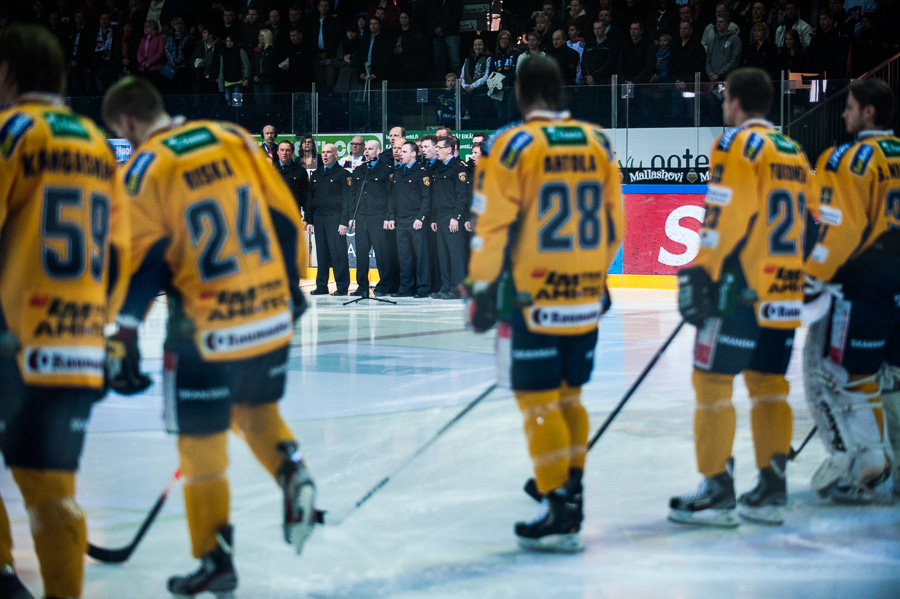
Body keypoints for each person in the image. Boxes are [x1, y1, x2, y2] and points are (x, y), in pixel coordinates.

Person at [101, 76, 317, 597]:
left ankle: (214, 557)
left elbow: (144, 264)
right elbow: (285, 214)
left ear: (128, 124)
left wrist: (123, 332)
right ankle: (291, 472)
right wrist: (292, 284)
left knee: (201, 449)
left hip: (204, 325)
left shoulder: (144, 169)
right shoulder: (232, 137)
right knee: (253, 410)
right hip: (266, 309)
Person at [467, 55, 623, 551]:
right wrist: (597, 278)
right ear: (561, 90)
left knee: (537, 402)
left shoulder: (510, 145)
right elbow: (616, 224)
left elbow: (490, 228)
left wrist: (481, 288)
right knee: (570, 396)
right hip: (584, 293)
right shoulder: (599, 142)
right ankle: (570, 483)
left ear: (518, 91)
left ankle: (558, 503)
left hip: (532, 295)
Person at [0, 23, 130, 599]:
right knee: (52, 490)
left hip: (12, 337)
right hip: (77, 340)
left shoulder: (10, 132)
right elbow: (123, 249)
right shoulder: (97, 144)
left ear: (8, 73)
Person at [669, 67, 808, 528]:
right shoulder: (793, 150)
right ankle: (772, 487)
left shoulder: (734, 144)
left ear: (734, 102)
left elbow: (726, 213)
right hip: (784, 287)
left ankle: (717, 488)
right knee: (770, 385)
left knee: (712, 383)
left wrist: (703, 273)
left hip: (739, 288)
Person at [804, 78, 899, 503]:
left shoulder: (848, 157)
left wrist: (811, 276)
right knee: (893, 375)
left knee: (845, 374)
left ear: (869, 113)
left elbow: (839, 228)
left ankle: (869, 461)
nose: (844, 114)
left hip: (863, 281)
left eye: (849, 106)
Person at [349, 140, 394, 297]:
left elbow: (390, 196)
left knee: (382, 254)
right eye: (366, 149)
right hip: (361, 217)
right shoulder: (360, 170)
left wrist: (389, 216)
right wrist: (352, 216)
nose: (367, 151)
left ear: (378, 151)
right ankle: (362, 286)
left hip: (378, 216)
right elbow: (353, 195)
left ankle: (385, 285)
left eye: (370, 149)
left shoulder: (386, 170)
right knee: (361, 254)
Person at [307, 143, 352, 296]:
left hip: (335, 218)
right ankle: (321, 286)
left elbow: (347, 200)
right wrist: (309, 220)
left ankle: (342, 286)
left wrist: (344, 221)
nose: (325, 155)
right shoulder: (317, 174)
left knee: (338, 253)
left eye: (329, 152)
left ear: (336, 155)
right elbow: (310, 198)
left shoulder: (342, 174)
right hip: (319, 218)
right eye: (323, 152)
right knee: (322, 254)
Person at [391, 140, 432, 298]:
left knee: (421, 255)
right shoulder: (399, 172)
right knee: (404, 256)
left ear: (414, 154)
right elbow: (393, 197)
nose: (400, 153)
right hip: (401, 219)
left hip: (416, 219)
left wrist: (420, 218)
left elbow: (426, 197)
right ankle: (406, 287)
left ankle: (423, 288)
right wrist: (392, 217)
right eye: (400, 151)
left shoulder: (421, 171)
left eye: (404, 151)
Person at [429, 135, 468, 300]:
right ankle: (445, 287)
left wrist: (456, 217)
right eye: (436, 147)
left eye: (439, 147)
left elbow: (462, 195)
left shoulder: (459, 168)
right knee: (443, 255)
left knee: (455, 254)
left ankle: (456, 288)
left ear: (449, 149)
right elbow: (436, 196)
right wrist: (434, 218)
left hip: (452, 217)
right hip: (440, 216)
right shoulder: (438, 168)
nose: (436, 150)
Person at [276, 139, 309, 217]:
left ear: (292, 152)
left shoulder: (300, 171)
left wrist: (307, 218)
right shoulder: (270, 170)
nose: (284, 153)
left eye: (287, 150)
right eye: (282, 150)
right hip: (274, 215)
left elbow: (306, 197)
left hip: (293, 215)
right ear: (277, 152)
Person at [218, 33, 252, 106]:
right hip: (227, 82)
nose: (229, 43)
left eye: (231, 41)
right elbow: (221, 69)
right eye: (227, 41)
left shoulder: (240, 51)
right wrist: (221, 86)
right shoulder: (223, 53)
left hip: (238, 82)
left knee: (237, 104)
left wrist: (246, 78)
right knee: (229, 104)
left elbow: (246, 65)